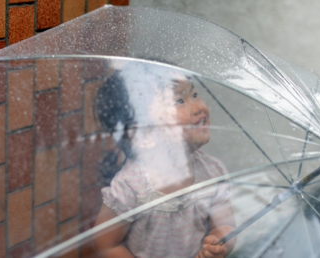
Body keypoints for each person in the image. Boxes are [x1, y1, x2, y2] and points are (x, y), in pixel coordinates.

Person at [93, 62, 235, 258]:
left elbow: (225, 224)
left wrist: (219, 242)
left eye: (194, 94)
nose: (197, 107)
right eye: (179, 101)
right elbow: (106, 245)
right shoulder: (131, 186)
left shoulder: (212, 172)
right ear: (144, 135)